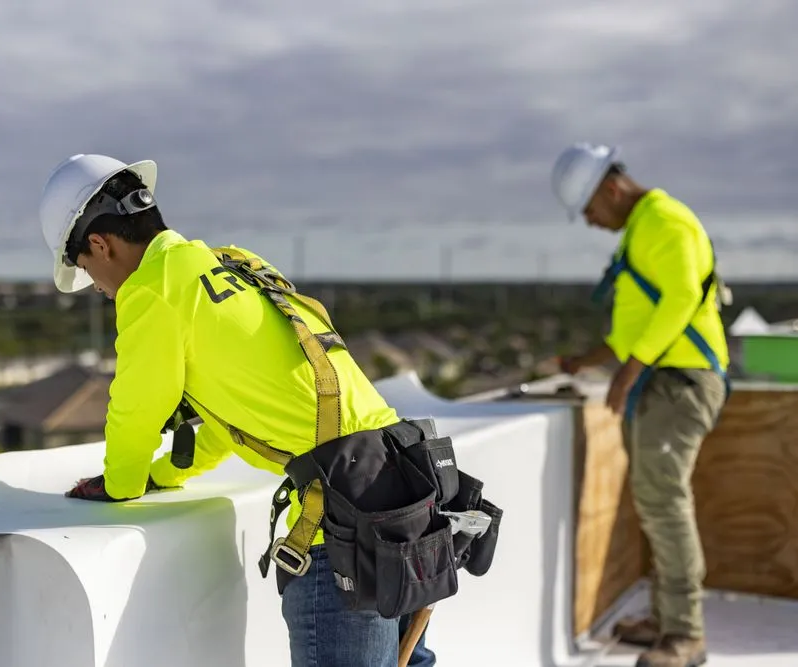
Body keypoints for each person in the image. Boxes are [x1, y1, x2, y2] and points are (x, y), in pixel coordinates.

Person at [36, 153, 467, 667]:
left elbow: (135, 406)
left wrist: (121, 483)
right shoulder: (235, 263)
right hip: (402, 489)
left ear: (100, 245)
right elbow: (233, 423)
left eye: (88, 272)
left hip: (343, 522)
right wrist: (168, 473)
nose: (101, 291)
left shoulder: (152, 291)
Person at [550, 143, 729, 667]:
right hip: (662, 379)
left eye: (588, 210)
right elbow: (640, 325)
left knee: (666, 503)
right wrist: (590, 359)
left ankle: (685, 635)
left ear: (610, 189)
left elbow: (682, 299)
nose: (590, 222)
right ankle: (664, 619)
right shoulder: (643, 229)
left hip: (681, 383)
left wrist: (628, 373)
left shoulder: (666, 221)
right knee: (656, 501)